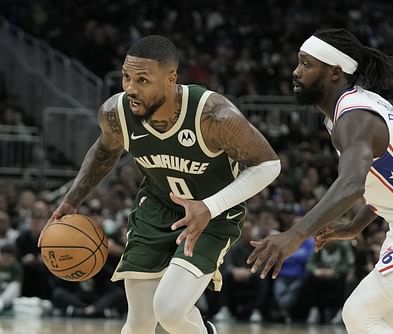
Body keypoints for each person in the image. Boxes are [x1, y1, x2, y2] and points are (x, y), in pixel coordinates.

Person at [40, 35, 280, 334]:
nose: (130, 88)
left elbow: (269, 164)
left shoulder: (212, 115)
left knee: (168, 310)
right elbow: (104, 151)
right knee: (139, 322)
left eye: (142, 80)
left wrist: (209, 206)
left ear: (170, 79)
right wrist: (72, 200)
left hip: (211, 217)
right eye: (126, 77)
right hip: (155, 210)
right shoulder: (117, 114)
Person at [247, 28, 393, 334]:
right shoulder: (350, 109)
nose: (295, 72)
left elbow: (351, 184)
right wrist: (355, 226)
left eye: (306, 64)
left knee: (359, 314)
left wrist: (296, 234)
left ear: (333, 72)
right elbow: (385, 177)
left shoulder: (354, 119)